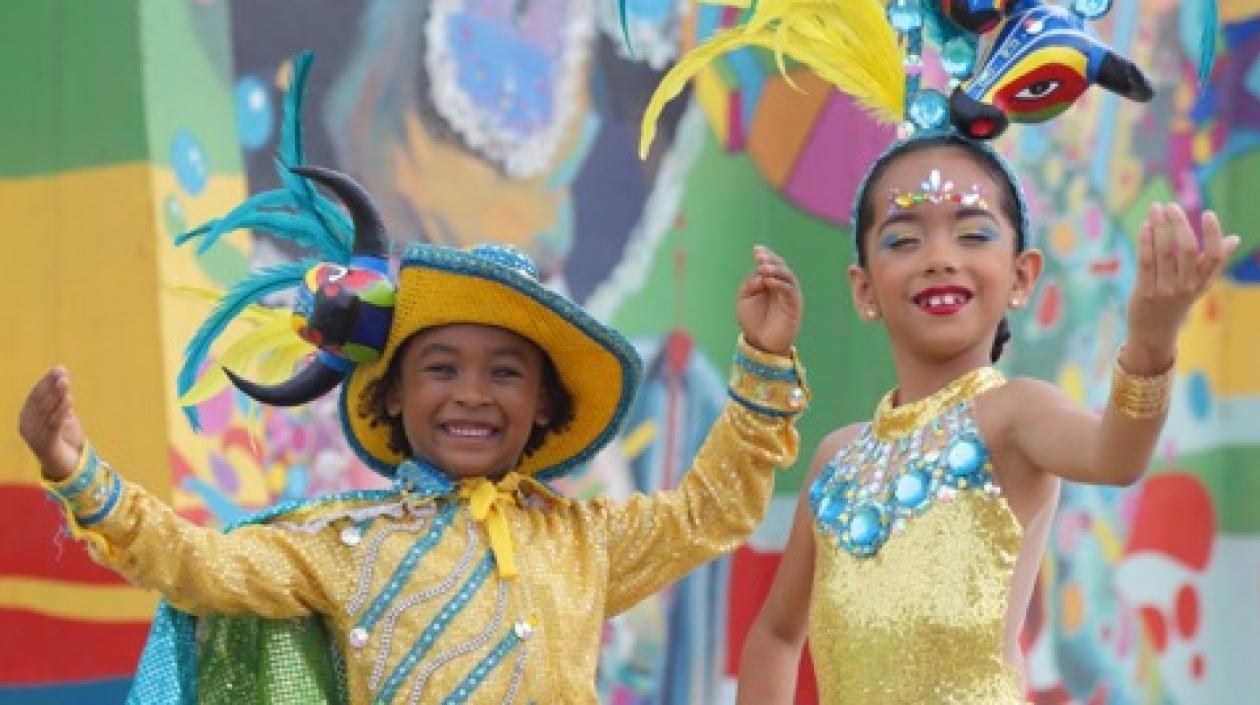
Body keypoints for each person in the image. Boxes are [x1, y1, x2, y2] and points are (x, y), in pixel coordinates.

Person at [633, 0, 1238, 701]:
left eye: (973, 233)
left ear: (1022, 276)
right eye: (903, 238)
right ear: (863, 288)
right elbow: (774, 633)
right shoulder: (837, 459)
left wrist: (1153, 339)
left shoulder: (1014, 416)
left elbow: (1117, 454)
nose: (938, 258)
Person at [19, 171, 810, 703]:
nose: (473, 392)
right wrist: (78, 472)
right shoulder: (343, 544)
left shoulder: (586, 540)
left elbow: (713, 510)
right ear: (393, 393)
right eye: (442, 367)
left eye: (506, 372)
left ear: (543, 403)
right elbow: (203, 567)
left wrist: (763, 360)